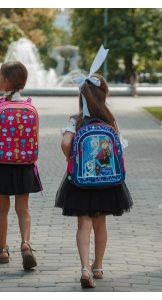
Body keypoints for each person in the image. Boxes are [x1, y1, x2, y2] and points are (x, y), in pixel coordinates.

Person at [55, 72, 133, 288]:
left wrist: (73, 159)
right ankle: (97, 265)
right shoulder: (109, 120)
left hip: (81, 180)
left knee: (84, 225)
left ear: (82, 97)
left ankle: (84, 268)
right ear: (103, 95)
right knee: (101, 224)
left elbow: (65, 143)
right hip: (106, 181)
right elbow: (118, 148)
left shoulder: (76, 120)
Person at [0, 61, 43, 270]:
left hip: (1, 163)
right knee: (23, 209)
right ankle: (25, 243)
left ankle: (3, 249)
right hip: (24, 163)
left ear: (6, 81)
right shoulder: (30, 107)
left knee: (2, 209)